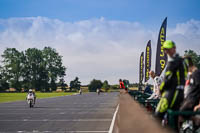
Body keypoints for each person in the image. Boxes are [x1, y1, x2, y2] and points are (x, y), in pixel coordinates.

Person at [155, 40, 187, 122]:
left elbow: (166, 80)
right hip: (180, 92)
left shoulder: (173, 62)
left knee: (157, 115)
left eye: (168, 49)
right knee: (173, 120)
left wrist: (160, 90)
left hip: (172, 92)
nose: (167, 51)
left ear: (174, 48)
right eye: (165, 49)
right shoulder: (181, 61)